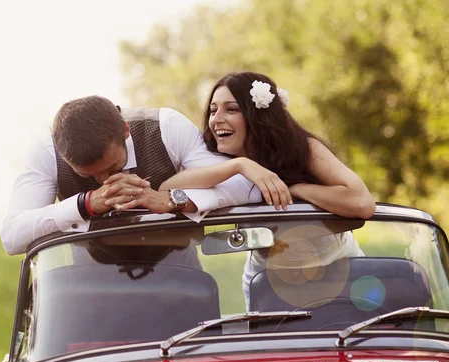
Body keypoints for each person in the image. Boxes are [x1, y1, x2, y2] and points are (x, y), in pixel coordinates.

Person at [139, 71, 376, 309]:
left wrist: (298, 189)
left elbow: (362, 203)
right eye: (213, 110)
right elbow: (169, 188)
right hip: (268, 281)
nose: (216, 119)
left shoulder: (303, 149)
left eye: (231, 109)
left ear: (257, 116)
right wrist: (240, 165)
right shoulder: (223, 162)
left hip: (339, 271)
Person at [1, 95, 260, 255]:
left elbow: (248, 187)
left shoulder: (166, 127)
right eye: (87, 174)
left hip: (179, 269)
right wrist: (86, 203)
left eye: (113, 167)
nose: (106, 182)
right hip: (85, 279)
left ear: (126, 130)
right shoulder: (46, 149)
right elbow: (12, 237)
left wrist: (171, 199)